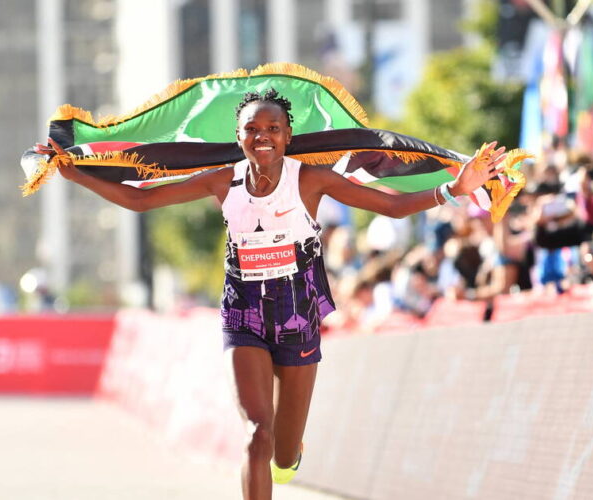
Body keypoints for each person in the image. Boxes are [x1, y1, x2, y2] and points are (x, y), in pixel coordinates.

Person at [35, 89, 508, 500]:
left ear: (287, 136)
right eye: (252, 128)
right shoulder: (223, 180)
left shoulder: (310, 179)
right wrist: (72, 174)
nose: (263, 135)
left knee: (282, 453)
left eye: (273, 128)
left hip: (297, 311)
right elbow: (141, 200)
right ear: (239, 136)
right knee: (256, 434)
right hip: (242, 311)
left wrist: (454, 189)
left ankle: (290, 453)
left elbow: (391, 205)